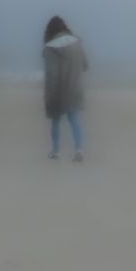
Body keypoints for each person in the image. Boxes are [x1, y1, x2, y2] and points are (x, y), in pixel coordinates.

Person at [42, 16, 88, 162]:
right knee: (74, 119)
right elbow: (85, 65)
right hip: (74, 87)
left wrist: (48, 96)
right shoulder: (76, 42)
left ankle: (55, 152)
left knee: (55, 121)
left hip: (57, 90)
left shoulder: (49, 47)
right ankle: (78, 150)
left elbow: (51, 74)